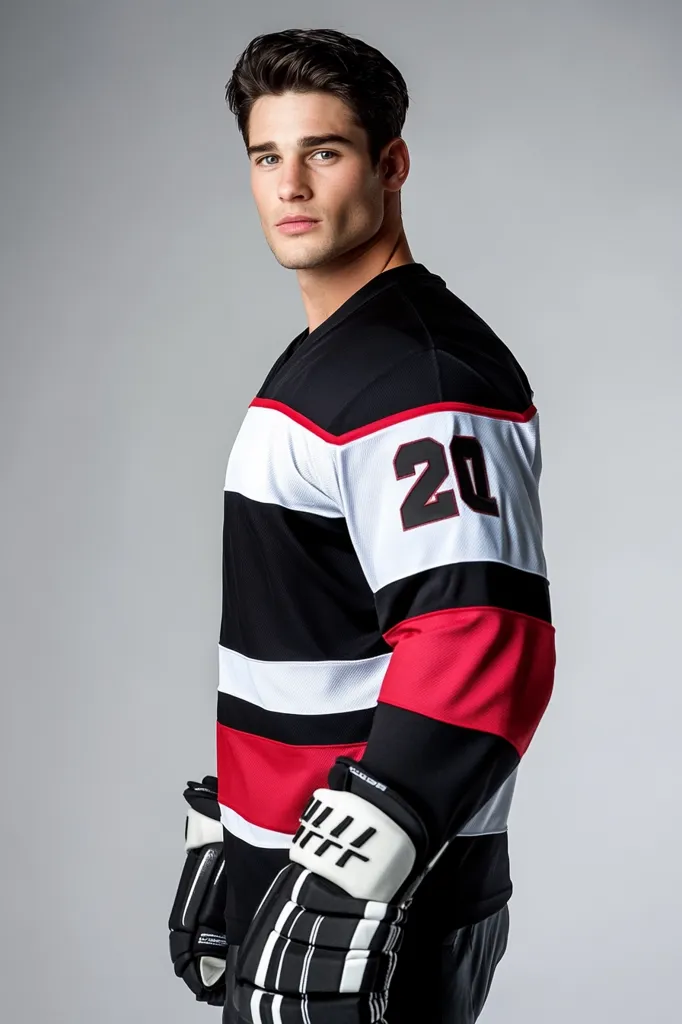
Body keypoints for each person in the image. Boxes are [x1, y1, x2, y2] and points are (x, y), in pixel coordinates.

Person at [168, 27, 556, 1024]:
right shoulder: (330, 354)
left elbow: (480, 643)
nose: (289, 183)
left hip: (379, 906)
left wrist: (351, 875)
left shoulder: (417, 374)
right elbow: (320, 626)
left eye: (324, 152)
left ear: (391, 166)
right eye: (267, 156)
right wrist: (246, 824)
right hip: (300, 868)